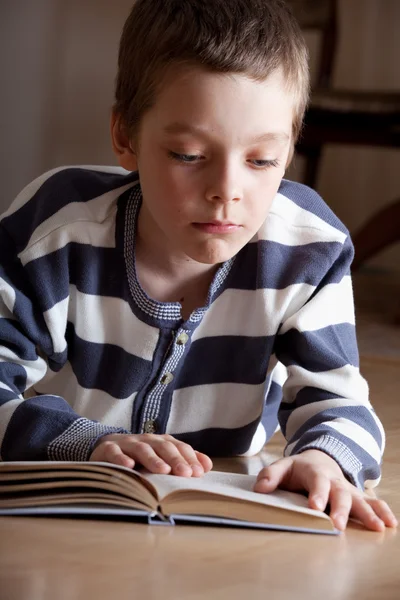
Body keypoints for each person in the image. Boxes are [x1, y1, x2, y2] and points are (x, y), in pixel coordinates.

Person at [0, 0, 396, 532]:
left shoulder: (307, 250)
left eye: (262, 160)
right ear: (126, 138)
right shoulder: (56, 231)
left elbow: (342, 402)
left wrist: (326, 460)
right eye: (188, 154)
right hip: (73, 508)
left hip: (219, 520)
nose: (227, 192)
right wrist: (88, 441)